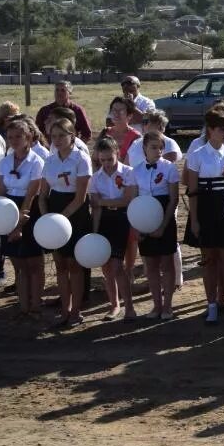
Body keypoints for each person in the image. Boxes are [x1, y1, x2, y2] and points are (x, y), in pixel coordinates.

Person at [184, 110, 224, 326]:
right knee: (209, 261)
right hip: (205, 208)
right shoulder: (196, 154)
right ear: (210, 130)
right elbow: (192, 190)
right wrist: (194, 220)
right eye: (222, 129)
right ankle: (211, 305)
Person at [36, 118, 93, 328]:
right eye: (54, 136)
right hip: (54, 211)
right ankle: (65, 310)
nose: (57, 140)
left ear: (72, 136)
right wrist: (45, 218)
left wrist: (61, 219)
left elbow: (80, 197)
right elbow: (42, 195)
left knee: (74, 264)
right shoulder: (50, 160)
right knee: (60, 264)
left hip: (74, 213)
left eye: (62, 135)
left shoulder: (81, 159)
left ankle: (76, 311)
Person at [0, 118, 47, 320]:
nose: (14, 140)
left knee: (34, 263)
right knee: (18, 263)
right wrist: (3, 221)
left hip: (29, 212)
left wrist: (19, 224)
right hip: (8, 210)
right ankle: (23, 304)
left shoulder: (37, 162)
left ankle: (36, 304)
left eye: (19, 136)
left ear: (29, 137)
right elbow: (0, 191)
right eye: (10, 137)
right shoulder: (4, 162)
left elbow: (31, 195)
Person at [128, 131, 180, 321]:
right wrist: (137, 227)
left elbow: (173, 199)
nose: (158, 151)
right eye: (153, 147)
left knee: (167, 263)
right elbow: (133, 200)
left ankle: (168, 306)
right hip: (143, 219)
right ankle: (156, 306)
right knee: (150, 264)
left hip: (164, 217)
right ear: (144, 148)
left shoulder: (170, 169)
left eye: (160, 147)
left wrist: (163, 226)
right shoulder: (136, 171)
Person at [88, 135, 135, 320]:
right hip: (104, 222)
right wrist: (95, 231)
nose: (106, 163)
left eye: (110, 159)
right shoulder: (95, 178)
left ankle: (129, 307)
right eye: (102, 160)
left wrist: (102, 202)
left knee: (116, 265)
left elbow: (127, 200)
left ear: (117, 153)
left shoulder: (128, 172)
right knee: (106, 267)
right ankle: (114, 305)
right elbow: (96, 208)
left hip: (121, 220)